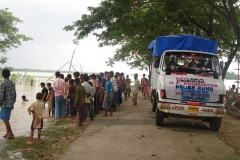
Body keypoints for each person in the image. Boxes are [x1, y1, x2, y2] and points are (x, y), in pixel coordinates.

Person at [0, 69, 16, 139]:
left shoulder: (3, 84)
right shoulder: (12, 83)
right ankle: (7, 133)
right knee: (4, 118)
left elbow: (1, 96)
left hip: (5, 104)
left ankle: (11, 134)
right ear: (9, 75)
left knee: (5, 119)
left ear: (2, 75)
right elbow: (14, 94)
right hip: (9, 104)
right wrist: (13, 103)